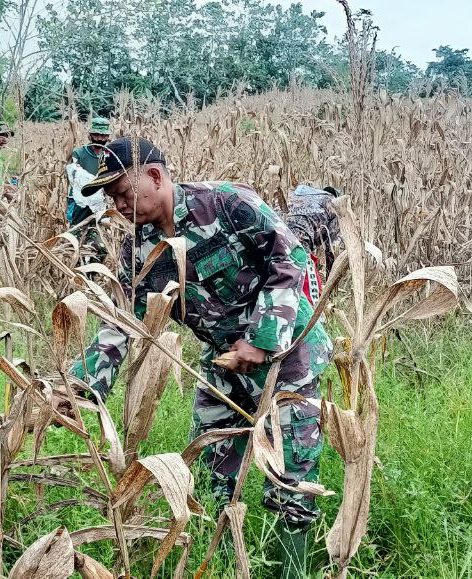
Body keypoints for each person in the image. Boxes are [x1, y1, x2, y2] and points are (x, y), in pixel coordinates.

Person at [70, 137, 330, 578]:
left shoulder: (227, 204)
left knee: (292, 471)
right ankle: (222, 562)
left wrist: (263, 339)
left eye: (122, 192)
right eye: (111, 198)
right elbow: (123, 321)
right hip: (224, 360)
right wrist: (83, 389)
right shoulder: (140, 249)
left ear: (154, 176)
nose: (117, 204)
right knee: (210, 465)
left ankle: (293, 569)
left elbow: (290, 259)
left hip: (289, 351)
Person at [285, 184, 341, 304]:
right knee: (310, 296)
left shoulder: (299, 194)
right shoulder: (334, 204)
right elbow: (332, 250)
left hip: (271, 240)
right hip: (298, 247)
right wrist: (332, 289)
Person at [66, 117, 113, 263]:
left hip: (99, 206)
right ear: (90, 135)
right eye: (96, 135)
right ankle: (77, 276)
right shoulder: (79, 154)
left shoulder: (109, 156)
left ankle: (91, 276)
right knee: (76, 243)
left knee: (101, 247)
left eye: (103, 136)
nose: (100, 139)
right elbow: (73, 175)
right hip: (80, 206)